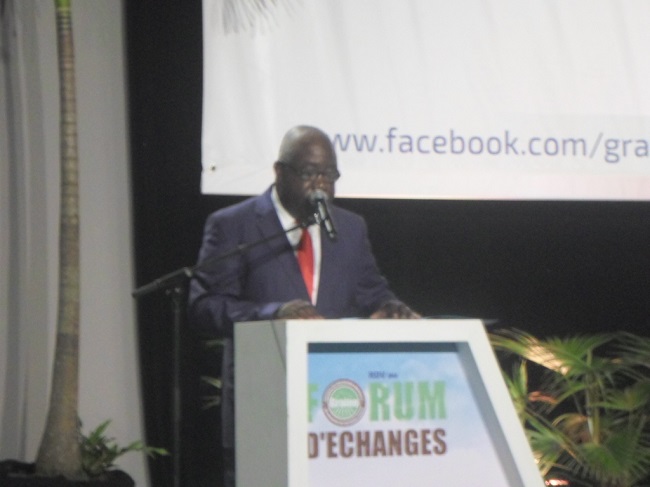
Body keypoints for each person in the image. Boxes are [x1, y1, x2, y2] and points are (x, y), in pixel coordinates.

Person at [188, 125, 419, 487]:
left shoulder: (350, 228)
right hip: (265, 404)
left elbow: (371, 292)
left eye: (329, 175)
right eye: (310, 173)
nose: (321, 185)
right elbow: (204, 306)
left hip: (338, 408)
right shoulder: (234, 225)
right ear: (280, 172)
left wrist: (390, 307)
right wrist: (273, 315)